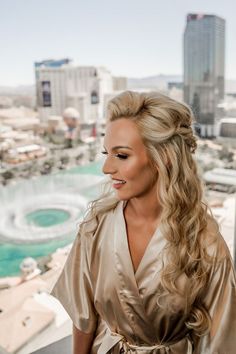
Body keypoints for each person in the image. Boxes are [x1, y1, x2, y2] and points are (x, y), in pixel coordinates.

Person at [51, 91, 236, 354]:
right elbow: (84, 317)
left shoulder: (204, 242)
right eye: (107, 153)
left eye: (122, 155)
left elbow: (218, 343)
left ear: (164, 157)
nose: (106, 168)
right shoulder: (95, 228)